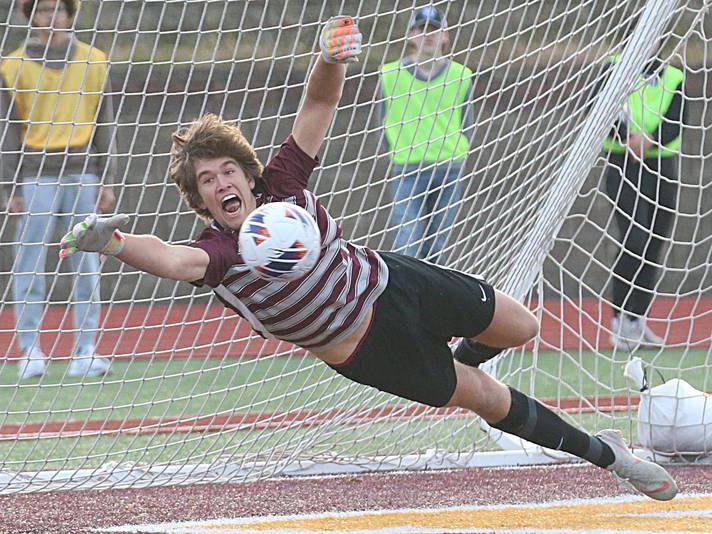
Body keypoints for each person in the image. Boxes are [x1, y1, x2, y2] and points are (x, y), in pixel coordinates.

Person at [60, 16, 677, 500]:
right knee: (487, 400)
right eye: (207, 180)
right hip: (366, 349)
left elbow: (318, 108)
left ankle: (462, 365)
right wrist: (111, 243)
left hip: (392, 281)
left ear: (248, 176)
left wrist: (331, 57)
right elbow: (170, 261)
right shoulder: (217, 251)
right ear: (199, 200)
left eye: (228, 170)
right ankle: (612, 458)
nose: (223, 182)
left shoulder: (281, 184)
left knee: (523, 325)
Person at [0, 0, 118, 379]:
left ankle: (85, 349)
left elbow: (105, 125)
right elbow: (7, 132)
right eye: (44, 9)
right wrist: (9, 185)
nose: (52, 16)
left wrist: (108, 179)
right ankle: (30, 349)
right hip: (36, 174)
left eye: (58, 8)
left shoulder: (95, 61)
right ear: (30, 15)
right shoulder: (12, 65)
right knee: (30, 262)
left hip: (83, 173)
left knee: (87, 262)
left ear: (70, 12)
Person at [599, 50, 684, 350]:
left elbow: (677, 120)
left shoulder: (673, 76)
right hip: (623, 165)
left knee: (654, 244)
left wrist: (649, 140)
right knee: (633, 240)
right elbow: (601, 111)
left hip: (661, 167)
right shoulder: (614, 69)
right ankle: (619, 320)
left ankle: (638, 321)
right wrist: (627, 138)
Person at [378, 5, 473, 262]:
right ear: (410, 34)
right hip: (407, 169)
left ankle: (434, 301)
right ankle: (406, 299)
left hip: (448, 168)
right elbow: (381, 121)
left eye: (434, 29)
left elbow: (468, 122)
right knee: (406, 240)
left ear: (445, 35)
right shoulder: (389, 75)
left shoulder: (461, 76)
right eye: (421, 29)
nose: (427, 35)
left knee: (438, 244)